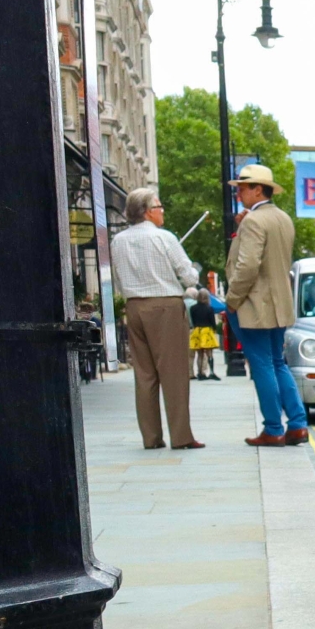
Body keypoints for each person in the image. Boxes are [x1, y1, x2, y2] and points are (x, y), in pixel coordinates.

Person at [109, 187, 203, 449]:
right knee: (174, 373)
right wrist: (188, 274)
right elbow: (189, 277)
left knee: (145, 374)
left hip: (135, 307)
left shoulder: (118, 241)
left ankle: (151, 437)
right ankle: (181, 436)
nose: (162, 212)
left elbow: (117, 279)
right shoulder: (165, 238)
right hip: (165, 306)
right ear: (149, 212)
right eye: (159, 207)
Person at [222, 163, 308, 447]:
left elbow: (247, 266)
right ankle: (297, 424)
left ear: (258, 189)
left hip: (254, 306)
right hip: (278, 303)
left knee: (261, 366)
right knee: (277, 363)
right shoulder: (282, 218)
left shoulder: (253, 221)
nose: (240, 194)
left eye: (244, 188)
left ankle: (273, 428)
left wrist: (232, 300)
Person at [189, 284, 221, 380]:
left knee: (200, 354)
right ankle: (211, 372)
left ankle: (200, 373)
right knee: (209, 353)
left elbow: (193, 321)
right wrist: (214, 330)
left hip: (197, 330)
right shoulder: (209, 308)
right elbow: (212, 322)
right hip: (207, 331)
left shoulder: (193, 308)